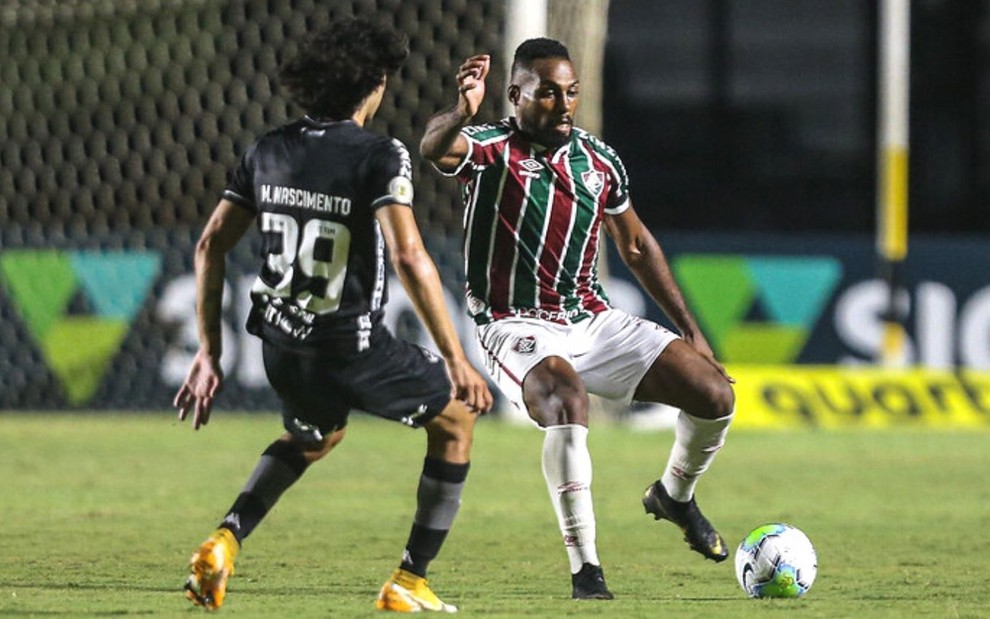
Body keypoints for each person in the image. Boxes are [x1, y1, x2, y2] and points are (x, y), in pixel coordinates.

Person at [173, 18, 493, 613]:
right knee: (455, 421)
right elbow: (408, 255)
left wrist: (209, 352)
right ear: (373, 85)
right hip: (349, 346)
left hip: (280, 345)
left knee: (317, 434)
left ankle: (224, 540)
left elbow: (209, 245)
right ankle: (410, 580)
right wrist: (456, 360)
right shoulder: (378, 154)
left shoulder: (267, 149)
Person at [419, 38, 735, 600]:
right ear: (515, 95)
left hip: (592, 320)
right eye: (547, 93)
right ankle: (586, 571)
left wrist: (689, 328)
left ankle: (674, 497)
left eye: (571, 92)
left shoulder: (599, 160)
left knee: (714, 394)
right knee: (566, 402)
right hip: (512, 323)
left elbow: (635, 245)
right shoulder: (490, 147)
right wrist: (460, 112)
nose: (563, 104)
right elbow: (434, 150)